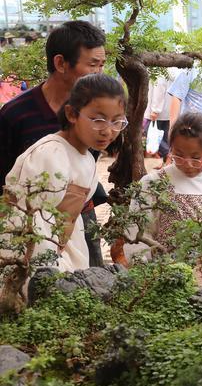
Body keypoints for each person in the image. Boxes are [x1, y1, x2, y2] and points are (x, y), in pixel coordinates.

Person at [0, 20, 107, 267]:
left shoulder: (94, 110)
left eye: (102, 65)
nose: (100, 73)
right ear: (60, 63)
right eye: (92, 65)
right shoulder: (16, 114)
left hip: (82, 215)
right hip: (30, 223)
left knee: (92, 282)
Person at [4, 74, 126, 271]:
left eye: (116, 121)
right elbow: (32, 225)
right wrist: (51, 275)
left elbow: (70, 221)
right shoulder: (50, 155)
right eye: (98, 120)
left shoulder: (86, 157)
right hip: (30, 260)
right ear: (71, 114)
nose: (108, 131)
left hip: (63, 253)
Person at [123, 112, 202, 260]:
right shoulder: (153, 183)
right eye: (178, 155)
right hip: (165, 272)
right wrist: (143, 265)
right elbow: (138, 233)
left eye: (196, 158)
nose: (187, 163)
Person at [144, 72, 174, 163]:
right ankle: (167, 163)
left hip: (158, 112)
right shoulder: (173, 70)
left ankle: (170, 154)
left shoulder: (159, 70)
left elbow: (159, 88)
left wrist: (155, 109)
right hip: (168, 110)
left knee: (147, 131)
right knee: (165, 138)